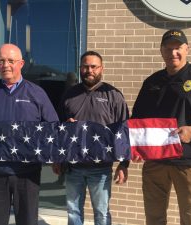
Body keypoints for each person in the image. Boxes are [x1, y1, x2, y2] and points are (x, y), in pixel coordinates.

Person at [131, 29, 191, 225]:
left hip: (190, 162)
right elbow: (137, 120)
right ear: (161, 51)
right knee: (154, 218)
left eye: (177, 48)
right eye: (168, 48)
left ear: (187, 49)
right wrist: (136, 147)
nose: (172, 53)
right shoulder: (152, 82)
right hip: (155, 163)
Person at [0, 43, 59, 225]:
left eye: (11, 61)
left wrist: (55, 157)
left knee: (28, 221)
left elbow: (52, 128)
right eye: (1, 61)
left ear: (21, 63)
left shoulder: (37, 94)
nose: (6, 65)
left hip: (27, 174)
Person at [53, 50, 130, 225]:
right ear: (80, 68)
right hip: (73, 166)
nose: (89, 70)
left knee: (101, 214)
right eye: (85, 67)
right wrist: (57, 158)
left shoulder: (114, 96)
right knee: (73, 212)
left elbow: (124, 133)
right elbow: (57, 129)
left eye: (93, 67)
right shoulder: (69, 95)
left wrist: (124, 164)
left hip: (101, 168)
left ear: (101, 68)